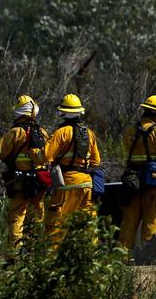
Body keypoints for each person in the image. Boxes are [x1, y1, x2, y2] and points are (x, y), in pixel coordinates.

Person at [0, 94, 51, 245]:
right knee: (37, 217)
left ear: (18, 112)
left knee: (17, 217)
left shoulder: (15, 133)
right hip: (39, 182)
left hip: (20, 182)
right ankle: (35, 252)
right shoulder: (43, 132)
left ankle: (15, 255)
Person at [119, 95, 156, 251]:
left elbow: (127, 150)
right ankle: (146, 260)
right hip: (152, 185)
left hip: (132, 183)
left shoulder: (130, 131)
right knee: (151, 224)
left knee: (128, 224)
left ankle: (121, 260)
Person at [44, 93, 101, 242]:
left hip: (67, 184)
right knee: (87, 223)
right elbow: (96, 161)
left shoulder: (60, 133)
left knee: (56, 222)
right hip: (87, 184)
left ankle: (52, 259)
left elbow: (46, 155)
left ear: (63, 112)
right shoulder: (89, 133)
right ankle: (92, 257)